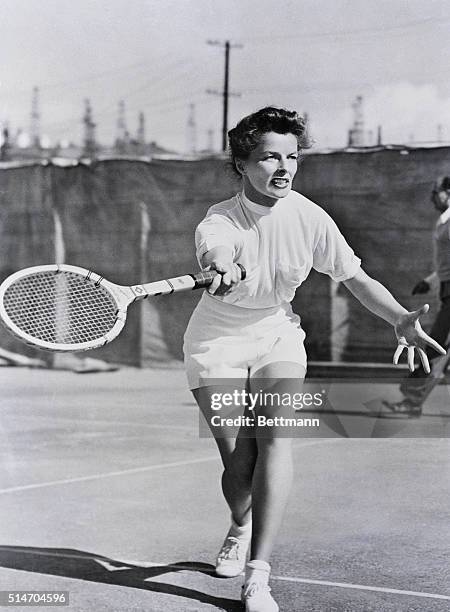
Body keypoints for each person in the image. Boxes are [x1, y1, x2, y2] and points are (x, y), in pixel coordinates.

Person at [183, 107, 445, 612]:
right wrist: (222, 266)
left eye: (292, 156)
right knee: (240, 469)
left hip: (278, 333)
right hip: (217, 341)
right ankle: (240, 524)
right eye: (268, 158)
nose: (283, 167)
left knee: (276, 440)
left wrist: (398, 318)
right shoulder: (220, 219)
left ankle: (258, 575)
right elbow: (215, 252)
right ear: (242, 164)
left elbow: (356, 279)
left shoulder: (310, 217)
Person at [385, 176, 450, 416]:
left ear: (447, 192)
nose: (432, 198)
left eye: (435, 192)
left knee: (436, 348)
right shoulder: (444, 221)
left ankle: (412, 400)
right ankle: (412, 400)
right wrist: (430, 282)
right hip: (446, 291)